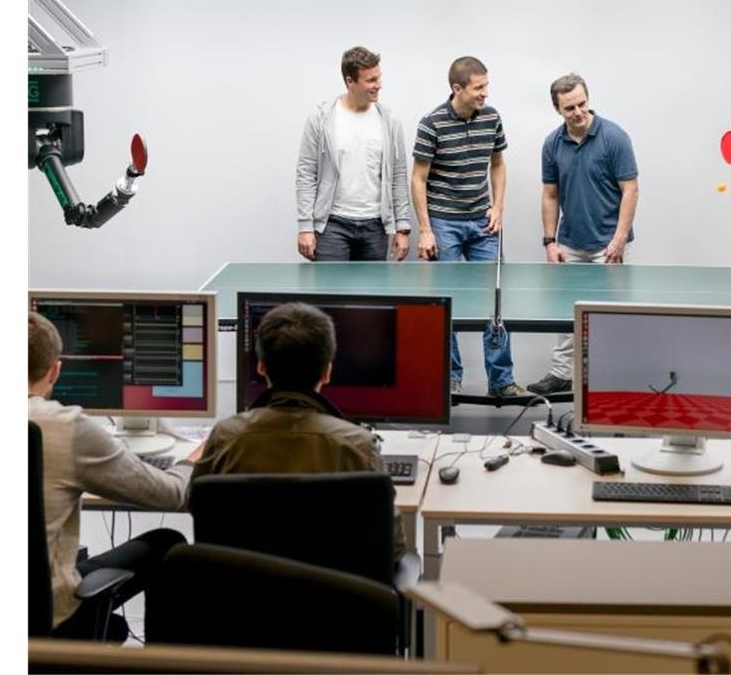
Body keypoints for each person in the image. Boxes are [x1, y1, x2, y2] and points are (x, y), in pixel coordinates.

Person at [28, 312, 202, 640]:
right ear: (54, 371)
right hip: (48, 619)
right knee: (167, 544)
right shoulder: (67, 427)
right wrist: (192, 459)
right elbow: (172, 495)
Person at [192, 302, 406, 558]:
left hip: (244, 594)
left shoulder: (225, 437)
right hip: (338, 596)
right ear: (327, 371)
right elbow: (393, 546)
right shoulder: (358, 445)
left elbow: (197, 504)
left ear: (260, 366)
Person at [411, 56, 527, 398]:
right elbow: (418, 179)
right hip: (444, 222)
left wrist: (497, 207)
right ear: (457, 88)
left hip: (482, 222)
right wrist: (426, 229)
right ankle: (449, 378)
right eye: (479, 87)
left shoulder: (491, 118)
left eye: (486, 86)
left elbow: (498, 165)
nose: (485, 94)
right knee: (443, 303)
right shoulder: (431, 124)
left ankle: (502, 382)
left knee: (495, 301)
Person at [527, 73, 640, 396]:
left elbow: (630, 190)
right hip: (570, 244)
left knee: (609, 314)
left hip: (608, 244)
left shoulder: (614, 137)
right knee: (564, 312)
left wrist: (618, 239)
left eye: (581, 104)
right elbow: (550, 194)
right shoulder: (552, 143)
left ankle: (609, 378)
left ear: (588, 100)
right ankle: (562, 373)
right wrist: (550, 242)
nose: (577, 112)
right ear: (558, 110)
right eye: (569, 108)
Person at [295, 45, 411, 262]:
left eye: (379, 78)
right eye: (371, 80)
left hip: (375, 226)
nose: (379, 85)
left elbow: (398, 176)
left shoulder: (390, 121)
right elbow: (305, 174)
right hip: (332, 226)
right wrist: (305, 227)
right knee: (331, 295)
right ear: (350, 82)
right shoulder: (320, 119)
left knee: (371, 296)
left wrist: (402, 227)